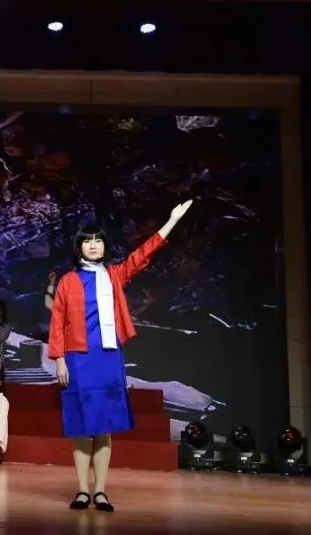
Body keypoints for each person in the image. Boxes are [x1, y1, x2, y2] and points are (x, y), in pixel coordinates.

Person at [49, 199, 193, 512]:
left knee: (104, 426)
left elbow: (143, 255)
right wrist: (58, 359)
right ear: (79, 247)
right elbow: (57, 321)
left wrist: (171, 221)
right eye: (87, 241)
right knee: (81, 426)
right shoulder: (68, 281)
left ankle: (100, 491)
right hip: (78, 358)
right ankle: (82, 490)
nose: (93, 245)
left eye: (98, 241)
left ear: (105, 246)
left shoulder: (114, 275)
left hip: (108, 357)